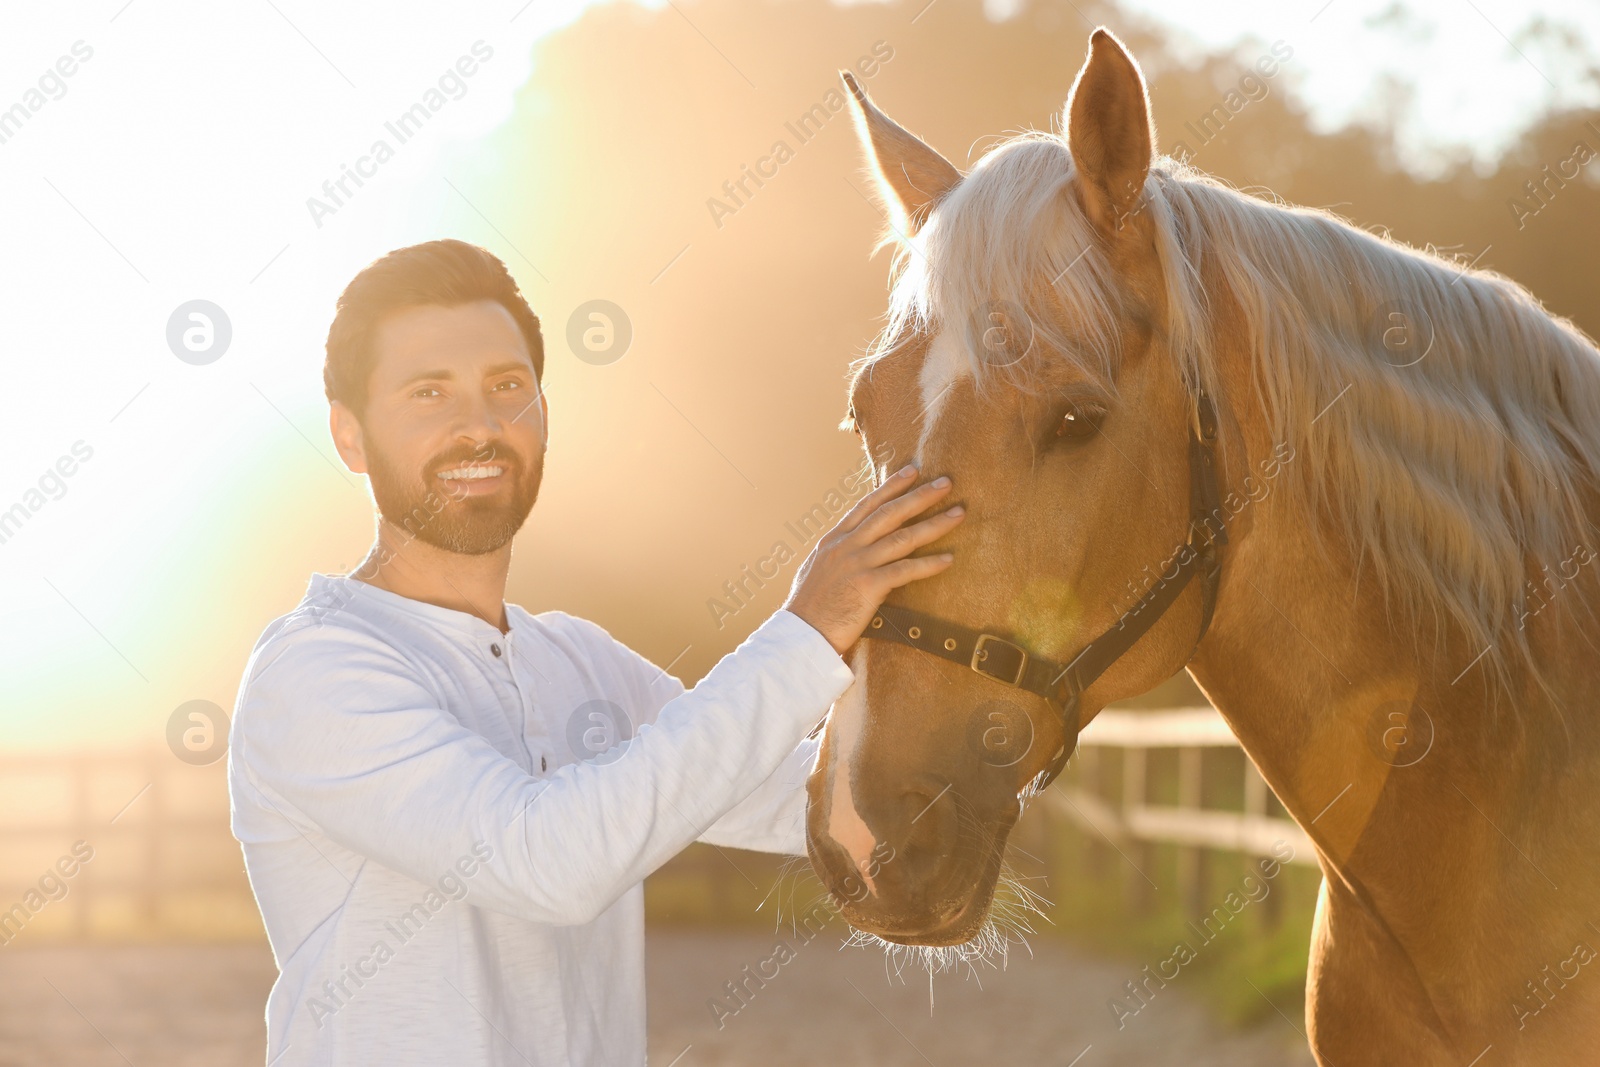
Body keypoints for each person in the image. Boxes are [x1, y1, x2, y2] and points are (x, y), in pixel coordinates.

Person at [227, 239, 964, 1066]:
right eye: (429, 392)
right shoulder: (315, 671)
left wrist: (1010, 692)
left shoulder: (579, 659)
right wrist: (810, 625)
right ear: (350, 437)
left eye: (507, 386)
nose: (480, 424)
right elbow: (551, 862)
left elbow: (807, 799)